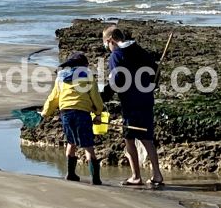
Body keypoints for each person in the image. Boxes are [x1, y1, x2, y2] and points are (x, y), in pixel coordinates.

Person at [101, 25, 164, 187]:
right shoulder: (141, 51)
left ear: (110, 40)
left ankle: (136, 176)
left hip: (130, 102)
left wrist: (105, 96)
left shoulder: (117, 55)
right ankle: (157, 174)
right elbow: (155, 71)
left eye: (106, 44)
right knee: (147, 137)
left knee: (129, 139)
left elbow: (117, 80)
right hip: (146, 99)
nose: (107, 48)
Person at [41, 51, 103, 185]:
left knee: (71, 142)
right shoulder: (88, 77)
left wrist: (45, 113)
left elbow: (53, 99)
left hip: (66, 113)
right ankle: (95, 178)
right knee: (88, 146)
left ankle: (70, 173)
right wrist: (98, 113)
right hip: (82, 114)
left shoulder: (60, 78)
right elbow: (96, 98)